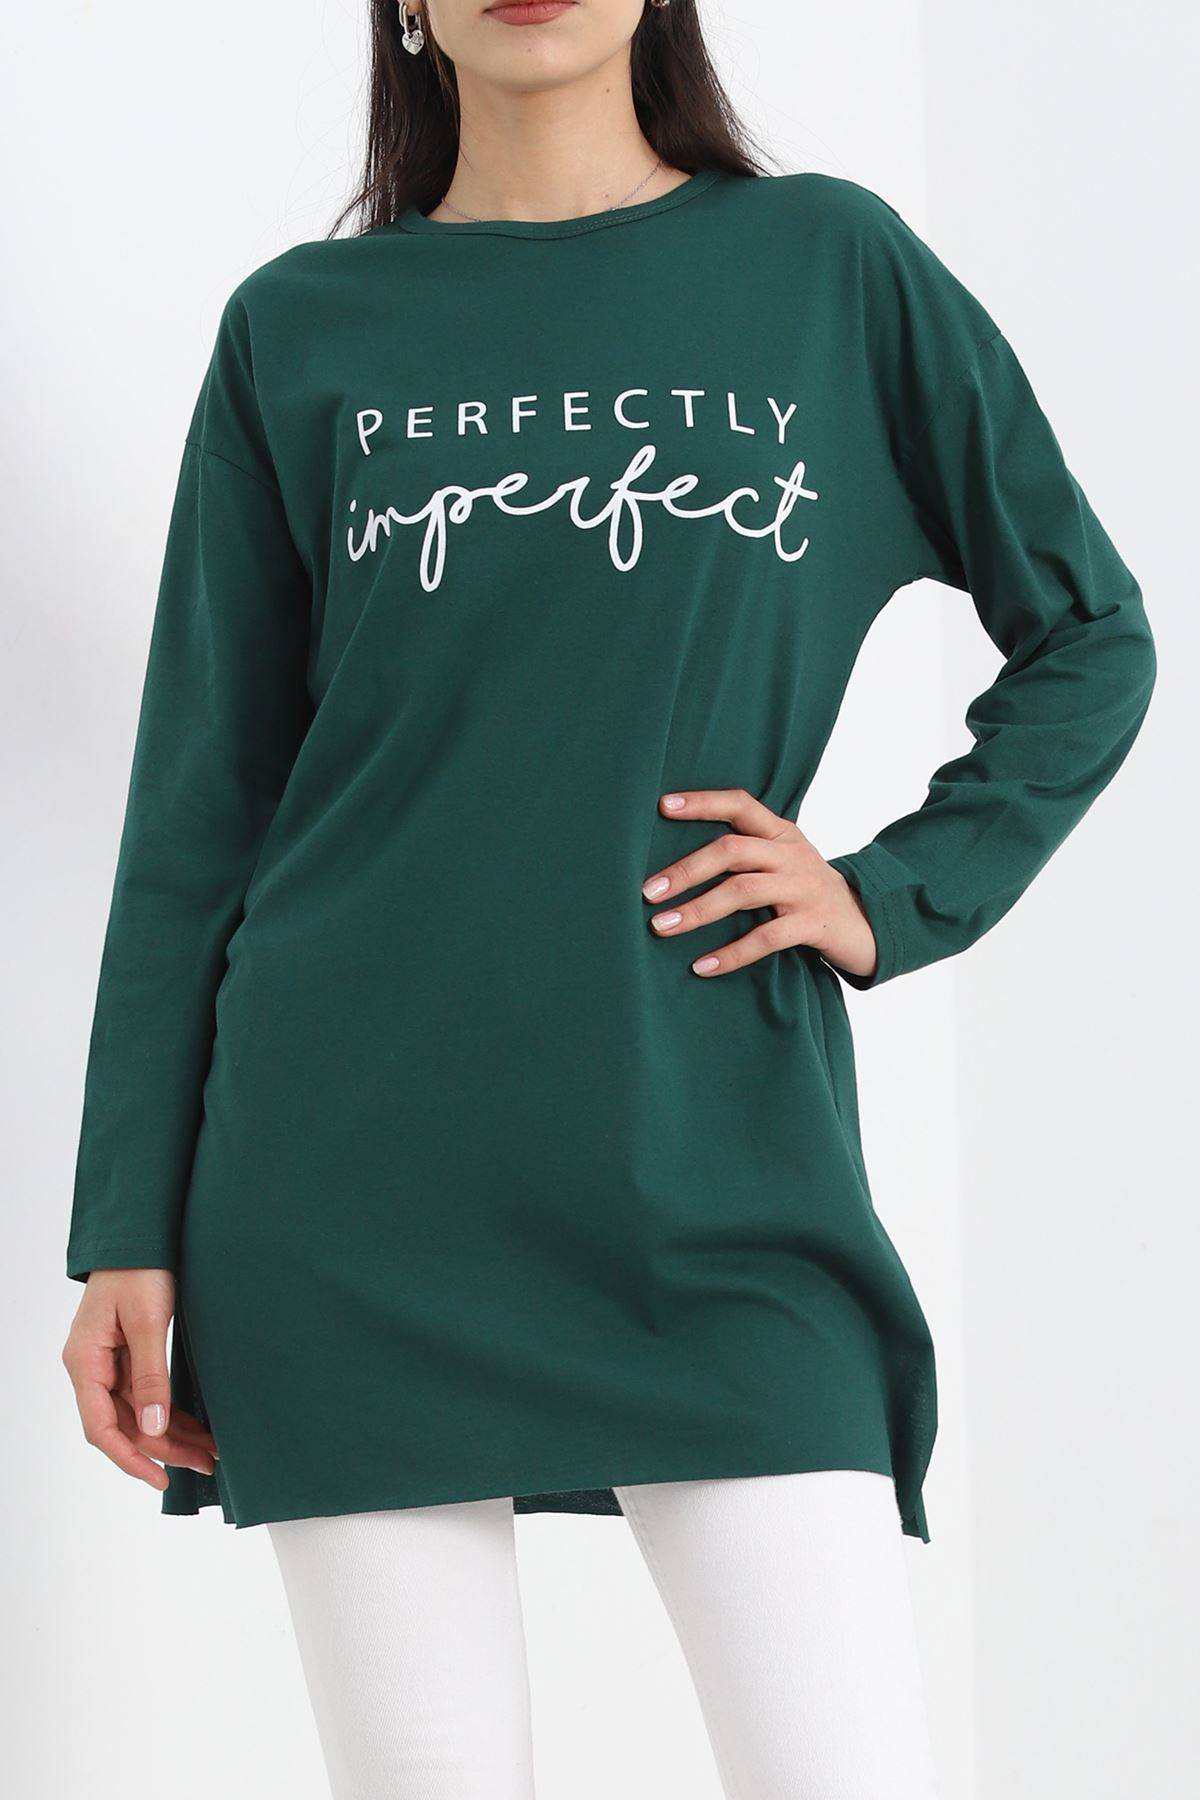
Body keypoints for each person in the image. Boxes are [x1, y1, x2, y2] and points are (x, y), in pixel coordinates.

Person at [60, 3, 1156, 1796]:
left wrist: (890, 893)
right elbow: (201, 808)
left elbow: (1092, 632)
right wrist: (127, 1227)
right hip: (346, 1191)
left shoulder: (828, 268)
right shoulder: (300, 326)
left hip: (717, 1169)